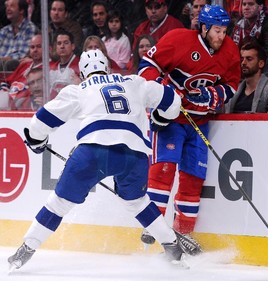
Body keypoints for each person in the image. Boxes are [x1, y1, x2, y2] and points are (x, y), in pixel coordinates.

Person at [7, 49, 199, 271]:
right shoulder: (134, 82)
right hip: (133, 154)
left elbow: (41, 120)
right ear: (107, 68)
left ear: (82, 72)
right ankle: (172, 246)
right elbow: (172, 100)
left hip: (92, 152)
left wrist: (36, 140)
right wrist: (160, 117)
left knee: (58, 204)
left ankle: (25, 251)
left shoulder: (79, 90)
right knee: (137, 203)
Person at [138, 4, 240, 246]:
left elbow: (231, 85)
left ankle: (183, 233)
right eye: (216, 30)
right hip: (171, 119)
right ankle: (154, 226)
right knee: (163, 170)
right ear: (203, 28)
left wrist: (211, 96)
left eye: (224, 31)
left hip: (199, 123)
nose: (221, 36)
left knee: (193, 179)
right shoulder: (178, 39)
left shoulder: (230, 52)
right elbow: (147, 67)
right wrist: (162, 97)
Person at [226, 42, 268, 113]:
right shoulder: (233, 90)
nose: (243, 63)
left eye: (249, 59)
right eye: (242, 59)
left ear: (261, 64)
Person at [4, 33, 43, 110]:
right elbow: (7, 83)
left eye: (39, 46)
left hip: (29, 109)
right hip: (8, 109)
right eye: (32, 47)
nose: (35, 50)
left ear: (48, 48)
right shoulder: (24, 65)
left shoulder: (51, 68)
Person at [0, 0, 38, 71]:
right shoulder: (4, 31)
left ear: (21, 10)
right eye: (7, 6)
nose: (8, 9)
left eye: (12, 6)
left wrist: (3, 59)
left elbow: (22, 56)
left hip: (18, 72)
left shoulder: (30, 29)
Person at [49, 29, 80, 100]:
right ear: (56, 47)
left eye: (66, 43)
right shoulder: (51, 69)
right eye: (59, 43)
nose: (62, 46)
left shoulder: (81, 66)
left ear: (73, 46)